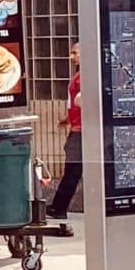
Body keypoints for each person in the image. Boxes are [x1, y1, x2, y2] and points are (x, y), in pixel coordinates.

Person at [47, 47, 83, 221]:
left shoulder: (84, 76)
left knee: (72, 170)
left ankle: (59, 207)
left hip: (80, 131)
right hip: (77, 127)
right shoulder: (80, 74)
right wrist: (68, 118)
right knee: (73, 170)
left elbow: (83, 100)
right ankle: (58, 206)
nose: (71, 57)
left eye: (75, 53)